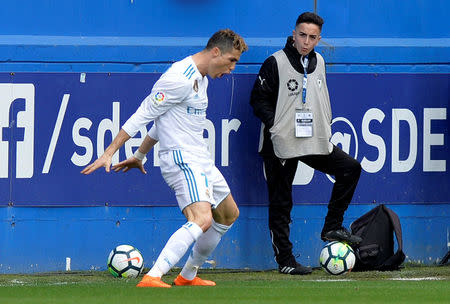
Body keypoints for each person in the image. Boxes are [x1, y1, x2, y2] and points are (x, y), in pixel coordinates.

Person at [82, 29, 248, 287]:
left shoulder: (202, 79)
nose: (232, 69)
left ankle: (188, 276)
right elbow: (144, 114)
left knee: (228, 214)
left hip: (200, 158)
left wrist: (140, 155)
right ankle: (153, 276)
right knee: (202, 219)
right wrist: (109, 151)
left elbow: (163, 125)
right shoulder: (179, 78)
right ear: (216, 52)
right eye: (231, 61)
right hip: (182, 159)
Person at [249, 12, 362, 275]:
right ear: (293, 34)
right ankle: (286, 260)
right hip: (280, 142)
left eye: (312, 37)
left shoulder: (319, 61)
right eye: (302, 35)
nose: (306, 42)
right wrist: (277, 125)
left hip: (312, 139)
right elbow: (257, 99)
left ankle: (332, 226)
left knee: (350, 168)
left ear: (319, 39)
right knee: (281, 202)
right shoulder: (274, 62)